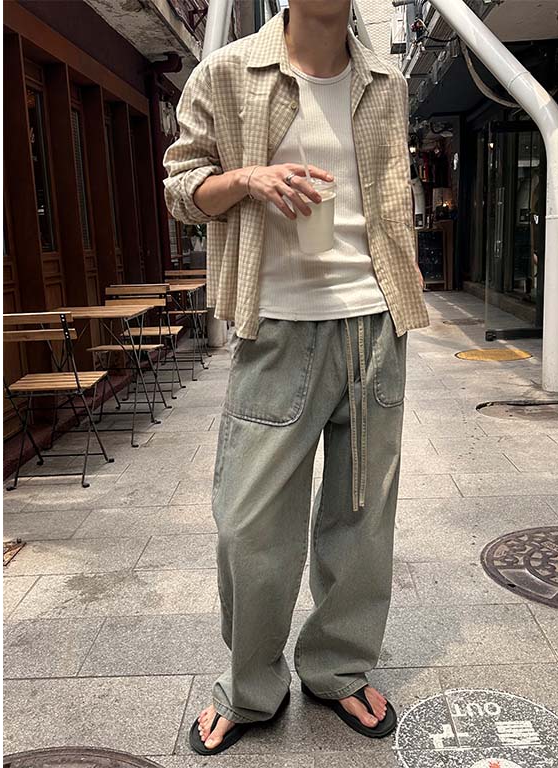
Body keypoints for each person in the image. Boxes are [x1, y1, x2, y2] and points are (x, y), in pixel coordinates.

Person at [163, 0, 430, 756]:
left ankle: (337, 668)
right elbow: (181, 189)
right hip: (276, 326)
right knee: (248, 525)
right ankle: (252, 686)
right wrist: (246, 179)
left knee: (361, 517)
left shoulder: (385, 81)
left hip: (374, 322)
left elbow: (388, 197)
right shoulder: (228, 72)